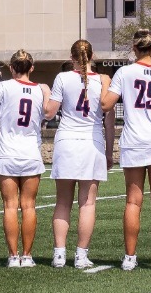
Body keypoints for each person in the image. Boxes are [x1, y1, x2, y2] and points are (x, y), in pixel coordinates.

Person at [104, 31, 151, 271]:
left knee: (133, 202)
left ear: (134, 47)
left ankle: (130, 257)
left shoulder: (124, 72)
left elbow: (106, 103)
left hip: (134, 139)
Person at [46, 40, 110, 269]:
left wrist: (44, 95)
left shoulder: (62, 78)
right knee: (87, 203)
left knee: (63, 201)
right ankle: (81, 255)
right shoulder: (103, 80)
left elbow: (49, 112)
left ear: (71, 57)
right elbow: (108, 117)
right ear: (92, 55)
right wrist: (109, 151)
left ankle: (59, 254)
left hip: (67, 141)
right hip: (92, 143)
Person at [0, 50, 49, 267]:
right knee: (29, 206)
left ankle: (13, 256)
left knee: (10, 206)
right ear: (32, 68)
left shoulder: (4, 87)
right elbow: (48, 114)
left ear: (11, 68)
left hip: (7, 151)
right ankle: (27, 256)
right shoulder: (40, 90)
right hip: (30, 152)